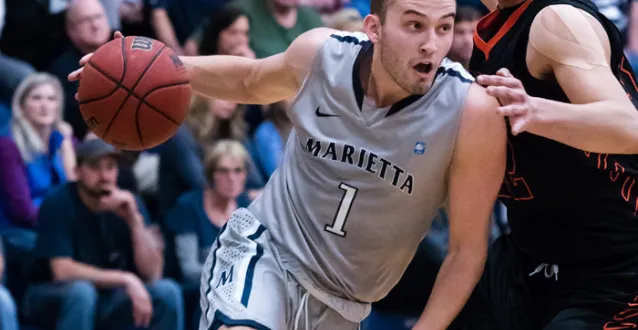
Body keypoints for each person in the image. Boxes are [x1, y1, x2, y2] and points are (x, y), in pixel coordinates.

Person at [69, 1, 509, 328]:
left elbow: (467, 250)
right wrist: (155, 68)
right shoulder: (323, 53)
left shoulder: (469, 112)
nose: (432, 44)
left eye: (444, 27)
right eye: (414, 25)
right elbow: (250, 78)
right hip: (267, 252)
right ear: (375, 27)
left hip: (346, 302)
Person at [459, 0, 638, 328]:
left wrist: (535, 111)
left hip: (615, 268)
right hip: (530, 257)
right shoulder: (493, 29)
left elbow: (630, 128)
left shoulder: (554, 21)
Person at [22, 138, 184, 330]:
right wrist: (126, 279)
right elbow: (62, 271)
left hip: (107, 296)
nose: (105, 175)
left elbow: (153, 274)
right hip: (50, 294)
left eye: (110, 167)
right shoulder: (58, 202)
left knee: (167, 291)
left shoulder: (129, 204)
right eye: (95, 167)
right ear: (77, 172)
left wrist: (134, 221)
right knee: (81, 292)